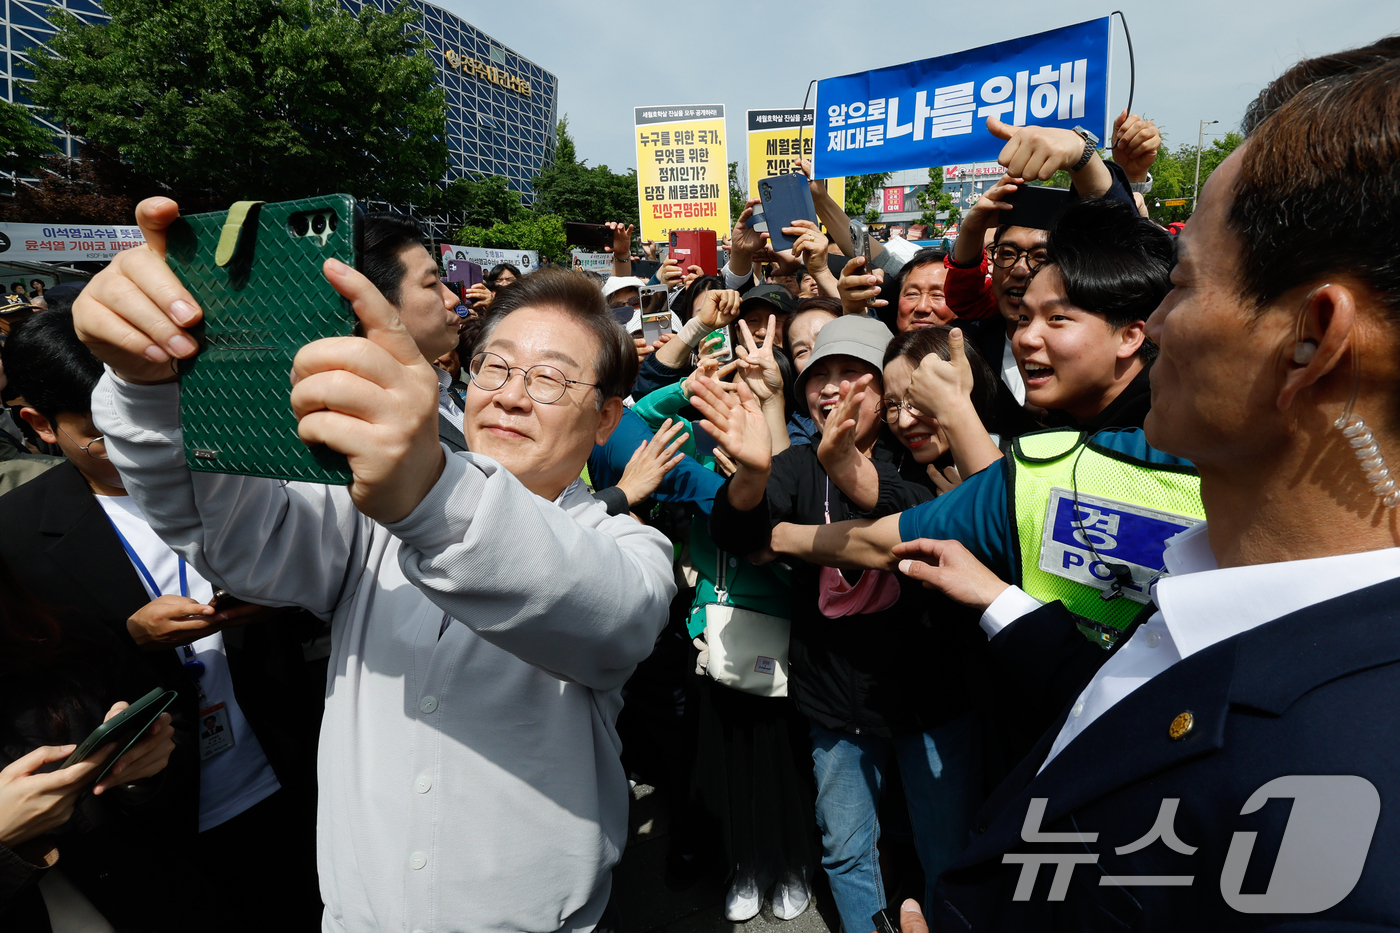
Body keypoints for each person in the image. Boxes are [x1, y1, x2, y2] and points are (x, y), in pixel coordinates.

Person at [75, 199, 676, 931]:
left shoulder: (627, 548)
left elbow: (602, 609)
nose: (512, 395)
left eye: (550, 379)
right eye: (495, 365)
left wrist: (428, 491)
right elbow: (229, 533)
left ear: (607, 418)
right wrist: (150, 388)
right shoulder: (372, 517)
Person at [921, 36, 1400, 930]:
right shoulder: (1212, 590)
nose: (1150, 324)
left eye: (1175, 285)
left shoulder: (1346, 808)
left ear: (1314, 339)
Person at [0, 309, 325, 932]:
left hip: (284, 781)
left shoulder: (238, 479)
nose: (138, 448)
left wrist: (284, 595)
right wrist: (130, 639)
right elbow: (39, 691)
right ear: (39, 426)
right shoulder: (15, 539)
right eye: (104, 433)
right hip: (152, 830)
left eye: (150, 421)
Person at [697, 315, 982, 933]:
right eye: (818, 376)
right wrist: (749, 478)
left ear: (888, 393)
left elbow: (925, 525)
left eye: (852, 374)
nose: (831, 388)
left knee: (945, 849)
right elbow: (742, 534)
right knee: (847, 850)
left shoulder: (923, 455)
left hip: (931, 704)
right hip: (833, 702)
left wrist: (808, 526)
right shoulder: (796, 466)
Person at [359, 213, 469, 453]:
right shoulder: (363, 427)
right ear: (373, 304)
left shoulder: (451, 391)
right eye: (431, 285)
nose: (452, 300)